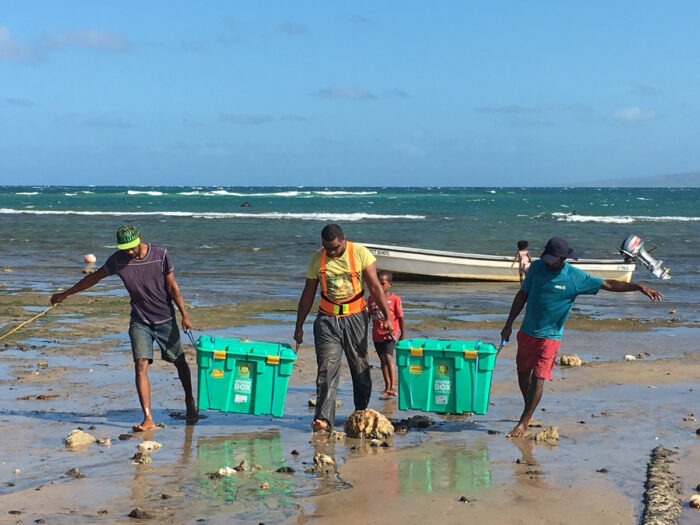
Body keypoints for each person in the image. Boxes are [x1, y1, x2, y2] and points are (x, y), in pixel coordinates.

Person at [500, 236, 662, 438]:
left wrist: (637, 287)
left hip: (550, 337)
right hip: (527, 332)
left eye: (553, 259)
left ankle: (523, 422)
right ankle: (529, 411)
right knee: (523, 374)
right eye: (547, 258)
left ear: (563, 258)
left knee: (539, 377)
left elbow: (608, 284)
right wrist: (508, 325)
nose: (549, 263)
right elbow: (522, 295)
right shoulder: (536, 268)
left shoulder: (574, 277)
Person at [51, 225, 198, 432]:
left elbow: (173, 287)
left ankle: (189, 402)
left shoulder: (160, 255)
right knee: (140, 364)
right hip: (139, 320)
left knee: (180, 362)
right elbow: (93, 278)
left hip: (165, 319)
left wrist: (185, 315)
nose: (128, 252)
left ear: (140, 238)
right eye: (124, 248)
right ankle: (148, 418)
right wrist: (65, 294)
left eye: (131, 247)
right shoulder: (118, 260)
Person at [294, 224, 394, 432]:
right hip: (326, 320)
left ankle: (361, 411)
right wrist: (299, 326)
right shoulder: (317, 259)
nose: (330, 252)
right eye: (326, 248)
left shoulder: (359, 253)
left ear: (343, 241)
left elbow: (375, 287)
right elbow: (308, 294)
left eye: (334, 248)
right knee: (327, 370)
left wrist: (387, 317)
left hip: (355, 318)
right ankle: (323, 419)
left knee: (359, 366)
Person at [368, 270, 405, 398]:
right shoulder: (371, 298)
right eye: (378, 283)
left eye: (382, 283)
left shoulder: (394, 299)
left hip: (390, 334)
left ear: (389, 284)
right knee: (382, 360)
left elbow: (400, 317)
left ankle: (393, 386)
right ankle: (387, 386)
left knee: (389, 358)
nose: (380, 286)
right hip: (376, 335)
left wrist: (402, 334)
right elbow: (368, 316)